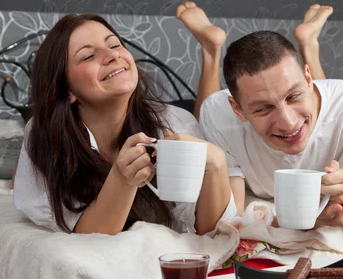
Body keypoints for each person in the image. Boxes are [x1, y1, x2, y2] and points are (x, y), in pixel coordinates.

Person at [13, 14, 236, 235]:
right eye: (88, 56)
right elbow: (84, 236)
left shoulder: (174, 121)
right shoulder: (44, 134)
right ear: (67, 90)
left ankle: (210, 52)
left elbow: (209, 237)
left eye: (115, 44)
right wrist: (122, 179)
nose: (112, 55)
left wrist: (217, 164)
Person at [176, 2, 343, 228]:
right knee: (208, 112)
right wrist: (291, 222)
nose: (288, 123)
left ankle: (309, 45)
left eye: (293, 96)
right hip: (220, 110)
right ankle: (210, 51)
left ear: (308, 79)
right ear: (238, 110)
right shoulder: (219, 113)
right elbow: (226, 221)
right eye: (263, 108)